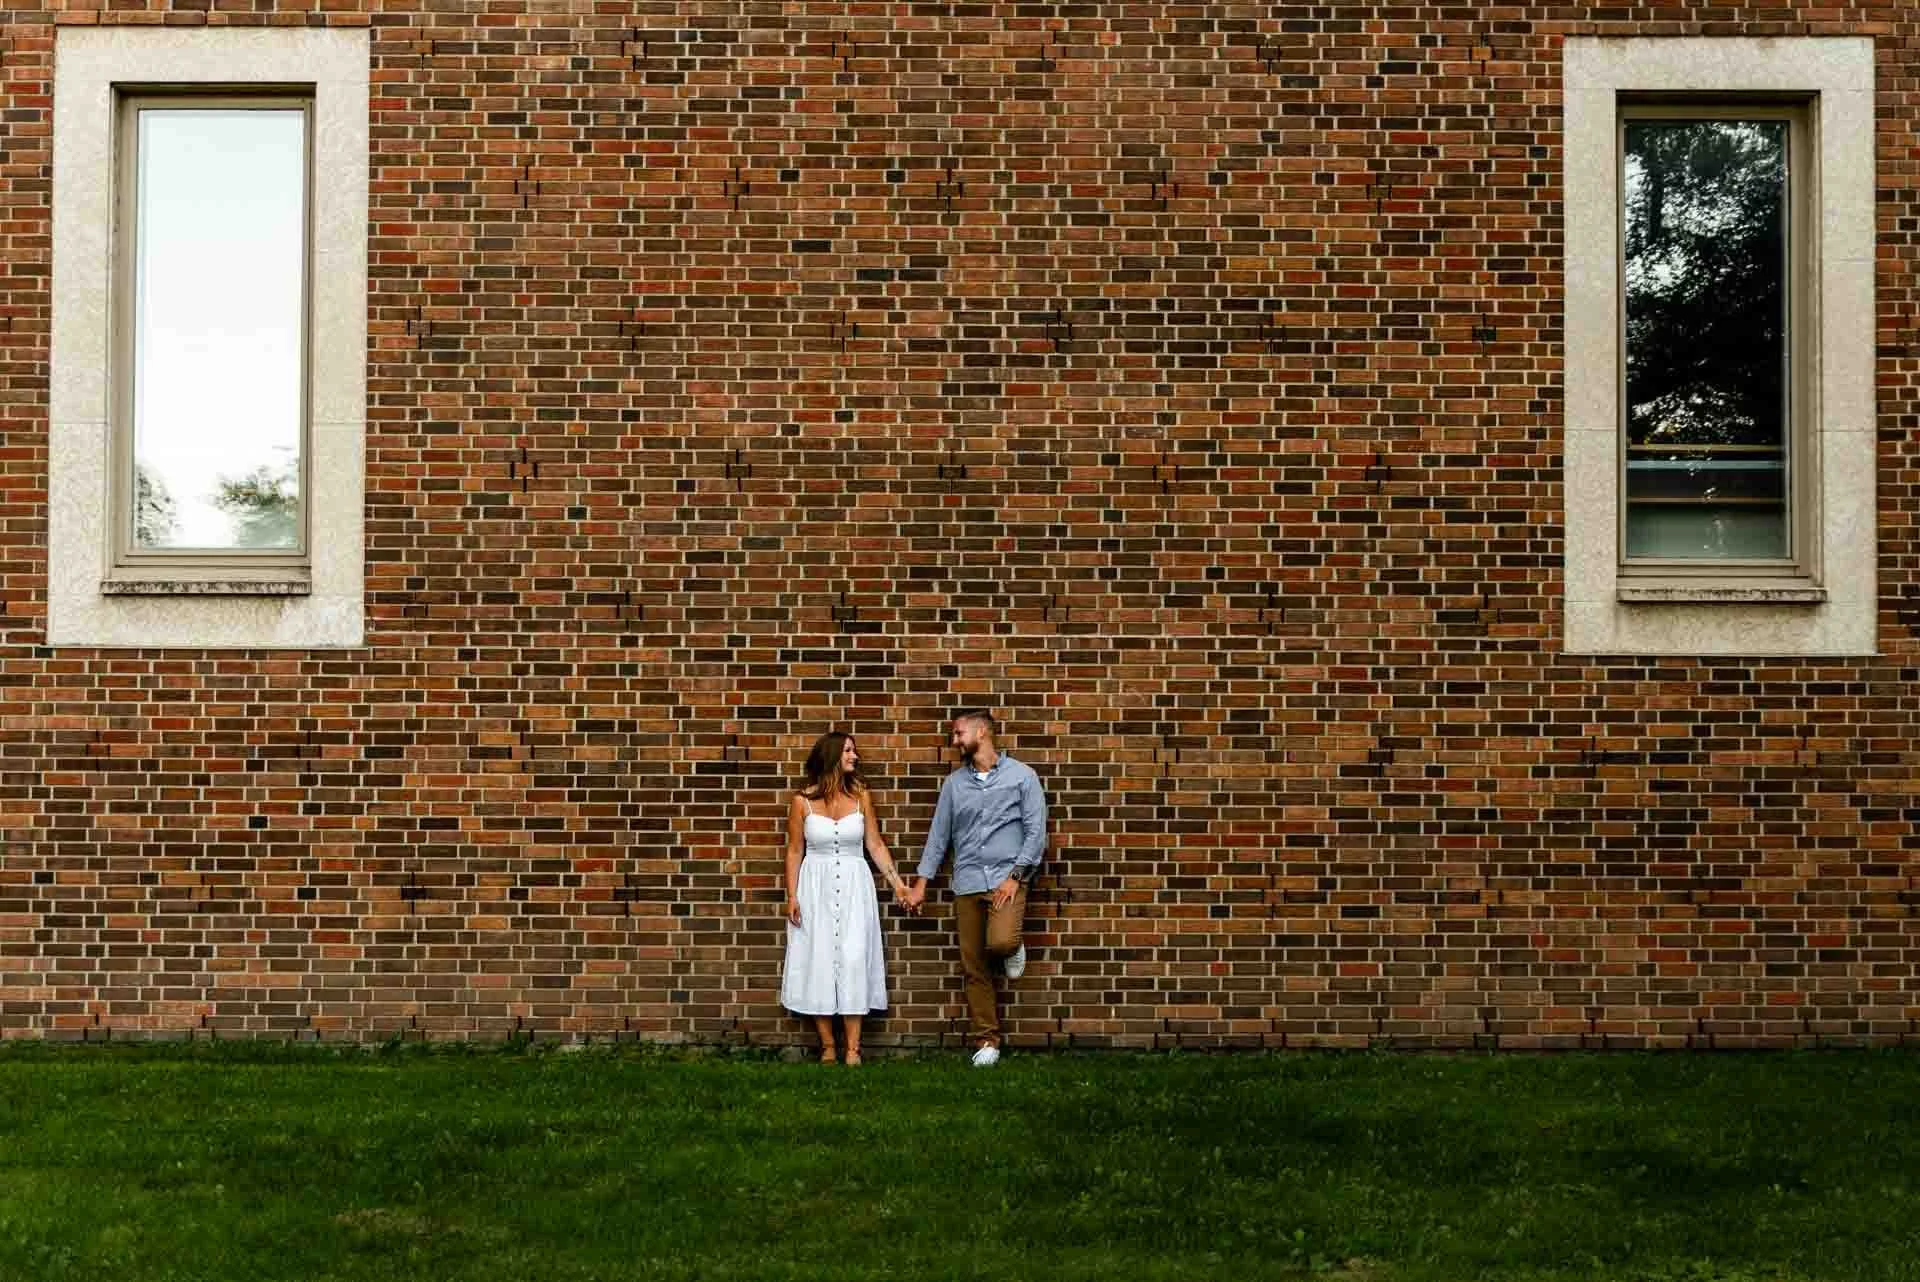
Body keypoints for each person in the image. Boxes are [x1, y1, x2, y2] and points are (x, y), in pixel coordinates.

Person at [901, 709, 1048, 1067]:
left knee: (1000, 942)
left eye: (958, 733)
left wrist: (1016, 877)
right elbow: (939, 838)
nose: (954, 740)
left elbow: (1036, 833)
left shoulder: (1022, 777)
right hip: (967, 881)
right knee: (973, 967)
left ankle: (1011, 945)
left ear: (982, 732)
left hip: (1006, 880)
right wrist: (921, 884)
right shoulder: (954, 785)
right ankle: (988, 1042)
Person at [781, 730, 908, 1065]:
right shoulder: (801, 801)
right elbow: (795, 850)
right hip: (815, 887)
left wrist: (898, 885)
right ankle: (827, 1047)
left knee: (854, 957)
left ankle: (853, 1048)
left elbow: (876, 845)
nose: (855, 756)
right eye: (849, 751)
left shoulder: (862, 796)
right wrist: (792, 895)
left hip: (854, 886)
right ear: (833, 755)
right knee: (818, 958)